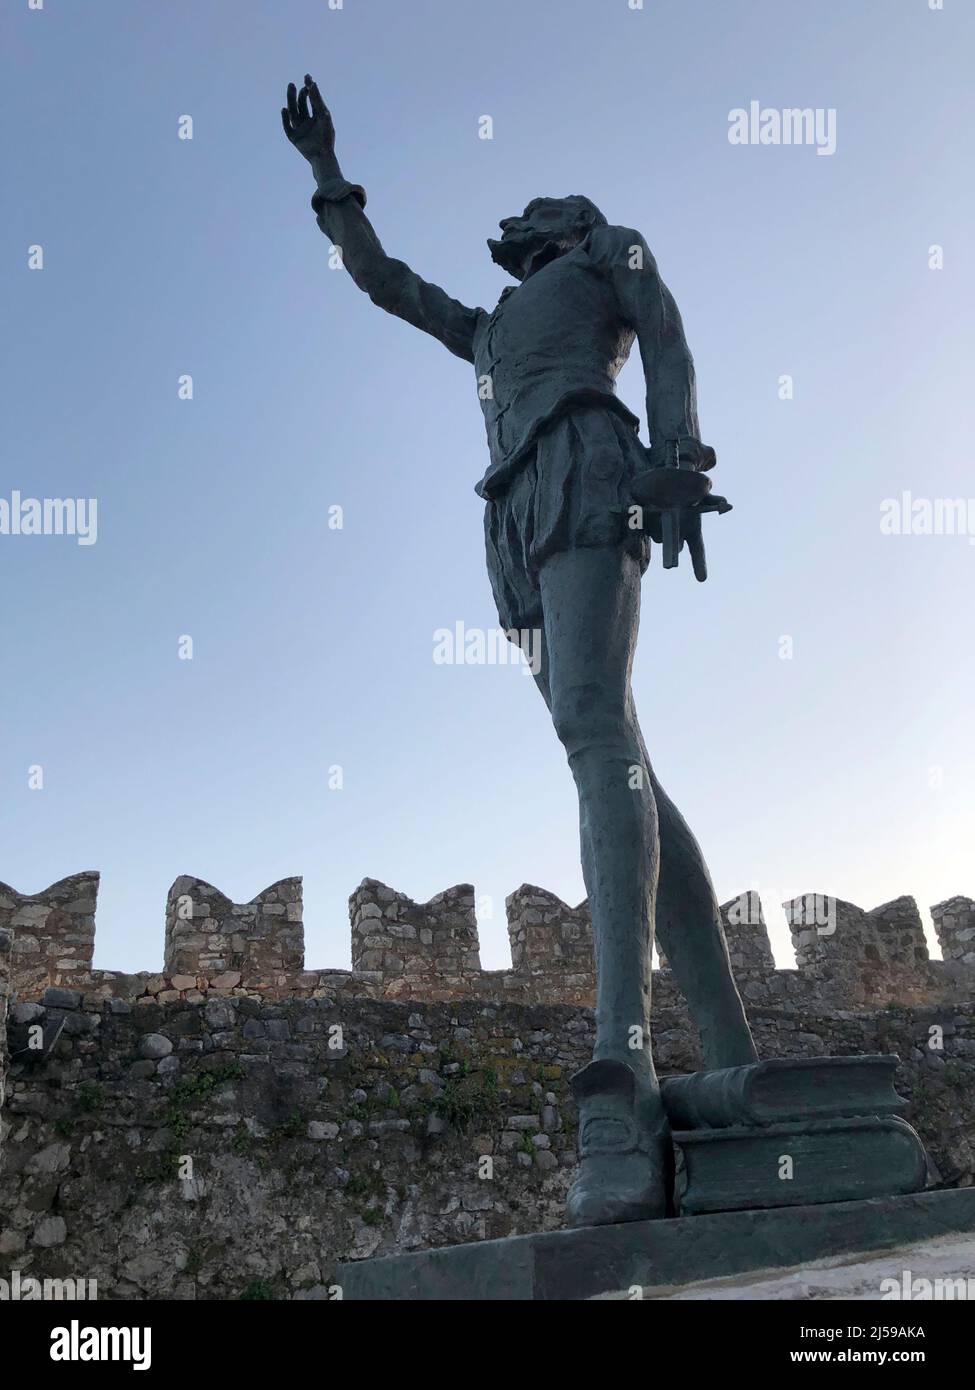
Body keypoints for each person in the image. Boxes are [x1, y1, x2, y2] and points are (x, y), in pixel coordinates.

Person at [282, 75, 757, 1224]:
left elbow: (669, 336)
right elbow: (386, 283)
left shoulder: (610, 255)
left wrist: (680, 459)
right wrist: (326, 173)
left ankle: (622, 1058)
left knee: (599, 735)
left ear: (570, 219)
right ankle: (740, 1053)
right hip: (512, 512)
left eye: (537, 209)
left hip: (592, 462)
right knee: (617, 751)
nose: (521, 223)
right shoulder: (490, 328)